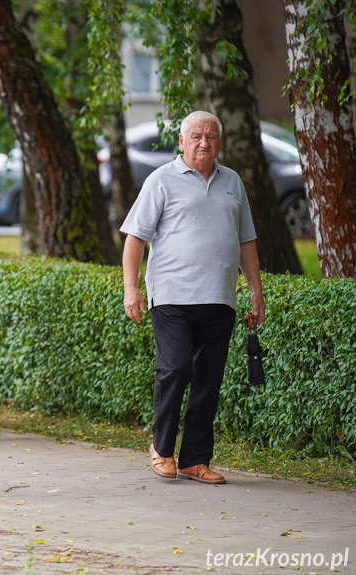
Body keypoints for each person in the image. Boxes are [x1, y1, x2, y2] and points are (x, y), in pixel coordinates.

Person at [121, 111, 265, 485]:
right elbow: (135, 237)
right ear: (182, 141)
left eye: (212, 136)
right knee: (176, 367)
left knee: (208, 378)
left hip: (219, 297)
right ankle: (162, 447)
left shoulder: (232, 182)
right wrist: (131, 288)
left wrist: (255, 291)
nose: (205, 143)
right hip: (171, 296)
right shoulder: (161, 180)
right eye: (197, 136)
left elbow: (246, 239)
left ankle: (194, 460)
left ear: (220, 142)